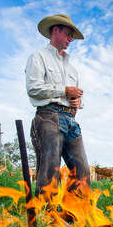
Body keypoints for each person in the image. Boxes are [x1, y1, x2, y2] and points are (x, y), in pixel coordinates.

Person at [25, 14, 90, 196]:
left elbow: (74, 96)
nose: (70, 39)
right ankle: (48, 217)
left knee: (82, 171)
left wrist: (78, 102)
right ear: (55, 30)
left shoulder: (72, 68)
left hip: (70, 119)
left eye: (72, 36)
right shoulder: (38, 56)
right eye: (68, 34)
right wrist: (64, 91)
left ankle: (75, 217)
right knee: (50, 171)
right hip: (49, 116)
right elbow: (33, 89)